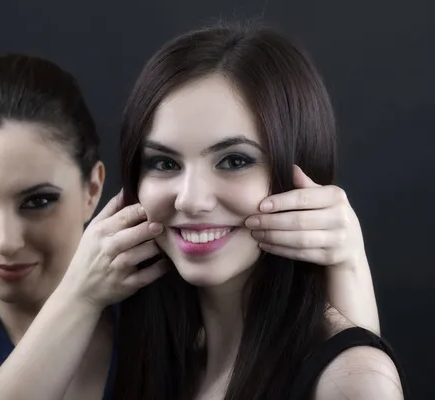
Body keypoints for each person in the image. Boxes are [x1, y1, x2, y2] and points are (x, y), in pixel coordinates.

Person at [0, 51, 381, 399]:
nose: (6, 242)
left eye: (39, 200)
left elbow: (334, 368)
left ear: (96, 188)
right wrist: (80, 294)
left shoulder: (169, 324)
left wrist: (348, 262)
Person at [110, 23, 408, 400]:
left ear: (301, 169)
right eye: (165, 163)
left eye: (234, 160)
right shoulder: (139, 354)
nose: (189, 200)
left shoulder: (352, 378)